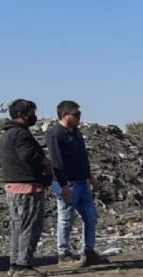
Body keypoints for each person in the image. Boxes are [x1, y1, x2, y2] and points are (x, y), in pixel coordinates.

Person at [47, 100, 109, 267]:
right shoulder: (55, 133)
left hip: (82, 182)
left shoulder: (76, 133)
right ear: (64, 115)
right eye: (76, 114)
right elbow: (57, 162)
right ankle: (63, 253)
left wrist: (91, 177)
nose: (79, 117)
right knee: (66, 218)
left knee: (90, 217)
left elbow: (83, 157)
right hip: (67, 183)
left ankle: (89, 251)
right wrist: (64, 186)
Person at [0, 99, 53, 277]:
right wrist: (46, 163)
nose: (33, 116)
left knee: (18, 227)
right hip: (27, 188)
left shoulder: (7, 134)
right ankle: (23, 265)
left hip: (13, 187)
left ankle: (15, 264)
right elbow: (28, 156)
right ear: (21, 114)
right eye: (31, 112)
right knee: (29, 227)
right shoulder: (20, 135)